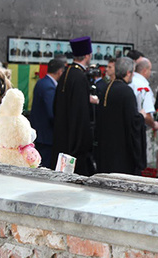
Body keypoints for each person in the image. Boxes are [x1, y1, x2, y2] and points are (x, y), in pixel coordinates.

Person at [51, 36, 95, 176]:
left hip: (62, 135)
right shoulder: (80, 77)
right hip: (75, 141)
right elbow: (81, 112)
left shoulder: (66, 74)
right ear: (87, 55)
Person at [95, 57, 146, 175]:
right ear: (128, 73)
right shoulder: (126, 92)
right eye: (132, 72)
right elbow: (133, 122)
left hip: (106, 147)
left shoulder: (107, 88)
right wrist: (141, 116)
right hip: (121, 150)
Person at [30, 59, 66, 168]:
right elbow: (51, 112)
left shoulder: (41, 82)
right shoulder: (49, 87)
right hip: (45, 136)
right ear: (60, 71)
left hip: (40, 133)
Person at [129, 57, 158, 130]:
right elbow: (146, 114)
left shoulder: (130, 81)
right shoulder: (143, 86)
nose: (150, 72)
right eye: (150, 69)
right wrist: (153, 124)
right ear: (145, 71)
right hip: (140, 127)